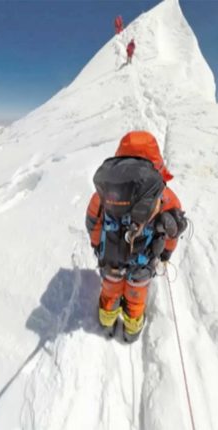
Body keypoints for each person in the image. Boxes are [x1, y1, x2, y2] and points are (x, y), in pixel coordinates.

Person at [85, 131, 187, 342]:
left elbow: (93, 220)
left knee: (110, 291)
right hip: (143, 263)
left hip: (111, 259)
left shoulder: (105, 192)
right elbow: (172, 231)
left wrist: (97, 246)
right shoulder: (164, 196)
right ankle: (131, 331)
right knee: (136, 296)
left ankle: (106, 322)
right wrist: (166, 253)